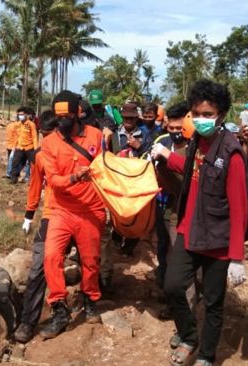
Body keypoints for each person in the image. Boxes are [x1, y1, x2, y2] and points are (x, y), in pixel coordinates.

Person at [150, 79, 248, 366]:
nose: (201, 119)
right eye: (196, 113)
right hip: (188, 229)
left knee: (214, 301)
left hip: (217, 240)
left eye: (208, 114)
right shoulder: (197, 141)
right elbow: (194, 171)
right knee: (172, 285)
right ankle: (189, 335)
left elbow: (239, 208)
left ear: (221, 114)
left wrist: (237, 258)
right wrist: (167, 155)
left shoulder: (231, 154)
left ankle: (206, 355)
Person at [39, 90, 105, 339]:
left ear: (78, 113)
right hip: (62, 210)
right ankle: (59, 309)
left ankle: (90, 300)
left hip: (91, 210)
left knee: (90, 261)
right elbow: (54, 181)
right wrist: (75, 176)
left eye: (67, 116)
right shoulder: (48, 143)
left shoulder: (96, 137)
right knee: (51, 256)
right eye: (58, 118)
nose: (62, 122)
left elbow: (105, 170)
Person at [14, 110, 59, 343]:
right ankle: (28, 321)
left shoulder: (73, 150)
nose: (46, 139)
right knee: (38, 267)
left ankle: (90, 301)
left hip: (77, 214)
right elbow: (34, 186)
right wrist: (28, 216)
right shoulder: (40, 156)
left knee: (88, 259)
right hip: (52, 216)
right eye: (43, 134)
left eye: (49, 134)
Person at [149, 101, 190, 286]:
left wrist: (166, 161)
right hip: (163, 204)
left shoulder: (193, 148)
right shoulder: (162, 141)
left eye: (179, 128)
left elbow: (186, 182)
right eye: (171, 127)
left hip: (183, 209)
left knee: (178, 253)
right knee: (163, 246)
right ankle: (165, 287)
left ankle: (181, 297)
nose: (175, 132)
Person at [109, 102, 151, 256]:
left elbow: (150, 156)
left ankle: (130, 246)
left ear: (136, 119)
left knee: (136, 213)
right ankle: (116, 239)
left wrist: (139, 146)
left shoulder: (145, 135)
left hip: (136, 181)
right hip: (118, 181)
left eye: (132, 119)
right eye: (126, 118)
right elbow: (107, 155)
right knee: (118, 211)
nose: (129, 121)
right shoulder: (113, 135)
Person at [10, 107, 37, 184]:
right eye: (19, 115)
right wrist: (14, 147)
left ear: (26, 115)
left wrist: (35, 150)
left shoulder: (31, 124)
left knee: (33, 164)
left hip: (29, 147)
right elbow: (16, 137)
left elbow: (34, 137)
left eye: (22, 114)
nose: (20, 116)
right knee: (15, 162)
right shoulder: (17, 125)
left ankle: (32, 179)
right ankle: (13, 179)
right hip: (20, 147)